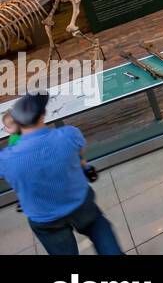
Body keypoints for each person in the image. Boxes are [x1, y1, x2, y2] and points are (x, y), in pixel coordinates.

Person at [0, 93, 122, 255]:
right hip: (80, 203)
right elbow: (80, 155)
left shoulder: (5, 159)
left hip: (44, 218)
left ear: (17, 123)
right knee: (100, 230)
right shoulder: (69, 134)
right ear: (43, 114)